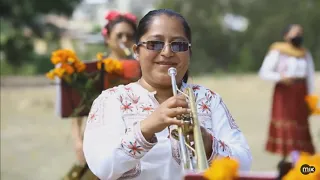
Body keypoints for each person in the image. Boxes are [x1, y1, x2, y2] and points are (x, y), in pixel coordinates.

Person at [83, 9, 252, 180]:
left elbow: (244, 165)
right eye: (155, 44)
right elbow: (102, 167)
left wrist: (208, 143)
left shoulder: (208, 99)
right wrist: (147, 128)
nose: (167, 52)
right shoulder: (111, 100)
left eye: (178, 45)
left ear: (189, 52)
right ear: (136, 51)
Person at [68, 10, 138, 180]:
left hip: (136, 141)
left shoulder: (142, 69)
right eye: (119, 35)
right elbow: (79, 109)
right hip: (100, 142)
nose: (124, 40)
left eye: (129, 36)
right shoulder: (97, 70)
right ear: (107, 38)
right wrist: (78, 141)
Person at [258, 24, 315, 163]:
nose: (298, 36)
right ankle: (285, 160)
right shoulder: (278, 51)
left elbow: (310, 77)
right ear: (286, 36)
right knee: (286, 125)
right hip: (284, 92)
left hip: (300, 93)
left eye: (300, 33)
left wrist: (311, 99)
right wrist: (281, 77)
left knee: (300, 125)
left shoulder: (304, 54)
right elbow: (264, 72)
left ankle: (301, 161)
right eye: (295, 33)